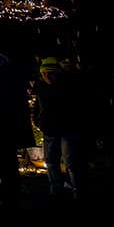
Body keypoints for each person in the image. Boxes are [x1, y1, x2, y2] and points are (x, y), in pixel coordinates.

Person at [0, 53, 33, 219]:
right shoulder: (8, 82)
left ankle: (3, 205)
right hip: (5, 134)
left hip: (2, 134)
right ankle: (7, 202)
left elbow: (1, 110)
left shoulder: (3, 85)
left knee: (2, 169)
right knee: (8, 169)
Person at [34, 56, 87, 202]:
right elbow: (39, 105)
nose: (47, 76)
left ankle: (78, 190)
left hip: (67, 129)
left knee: (71, 161)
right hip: (49, 129)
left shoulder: (67, 87)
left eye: (50, 73)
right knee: (51, 160)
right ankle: (56, 189)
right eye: (44, 73)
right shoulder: (41, 87)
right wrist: (38, 119)